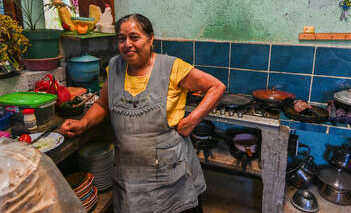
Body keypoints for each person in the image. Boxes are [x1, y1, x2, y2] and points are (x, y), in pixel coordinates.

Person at [59, 14, 226, 213]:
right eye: (122, 39)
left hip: (170, 176)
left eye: (134, 37)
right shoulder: (114, 67)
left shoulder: (171, 66)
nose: (127, 44)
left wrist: (192, 121)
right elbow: (103, 104)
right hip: (131, 176)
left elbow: (216, 86)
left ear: (151, 38)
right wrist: (84, 123)